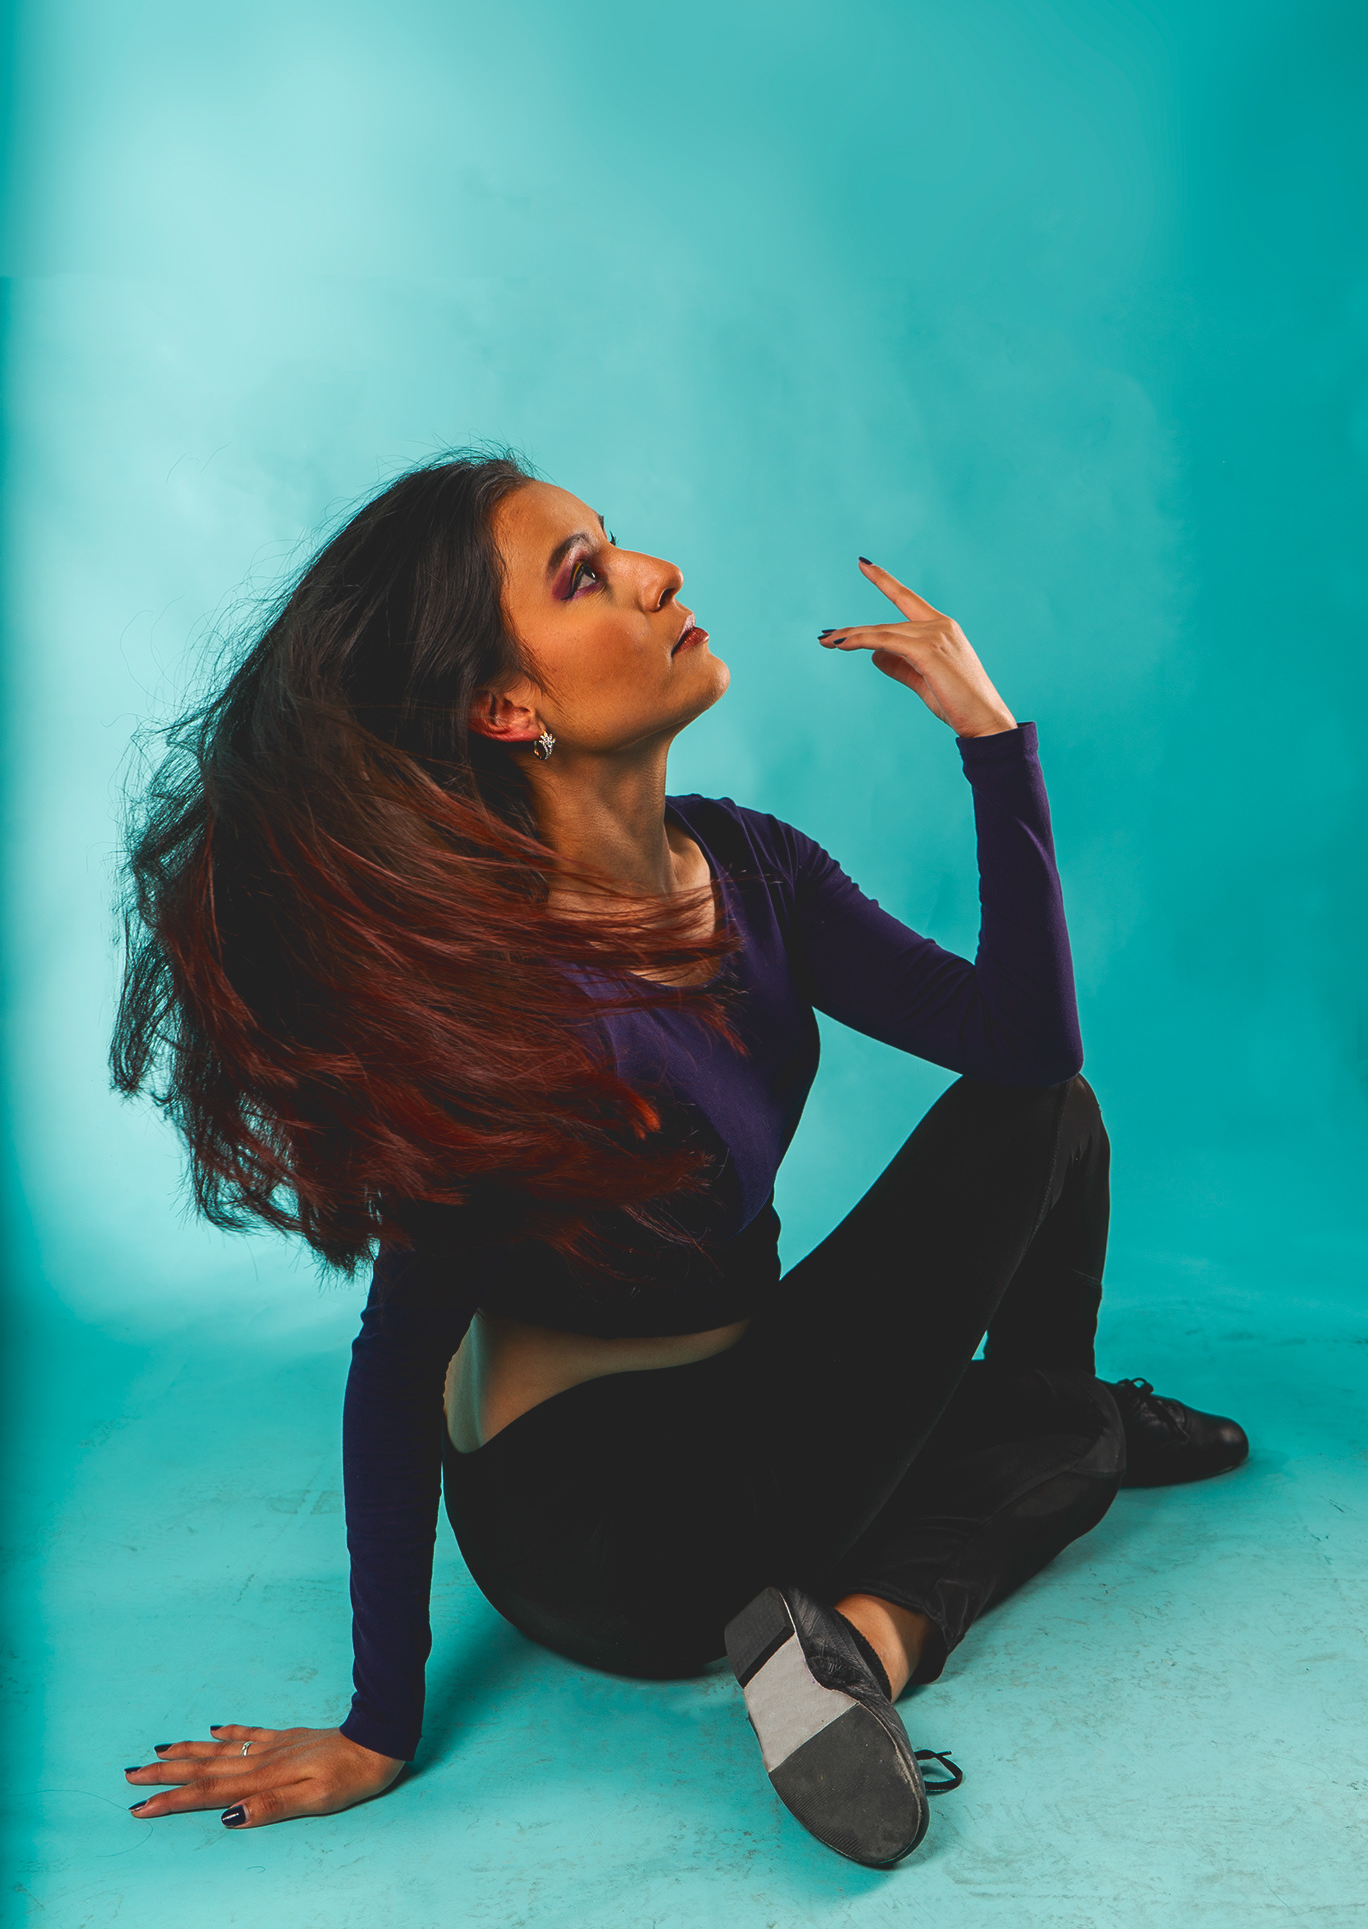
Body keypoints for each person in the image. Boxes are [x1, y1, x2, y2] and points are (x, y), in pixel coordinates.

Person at [112, 452, 1248, 1868]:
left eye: (619, 543)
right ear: (508, 707)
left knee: (1047, 1113)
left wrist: (990, 737)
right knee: (1060, 1435)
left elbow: (1024, 1048)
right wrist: (376, 1728)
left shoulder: (753, 871)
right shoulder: (502, 1008)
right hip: (605, 1527)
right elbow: (397, 1368)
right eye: (585, 575)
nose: (659, 576)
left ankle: (882, 1607)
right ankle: (1023, 1468)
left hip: (758, 1392)